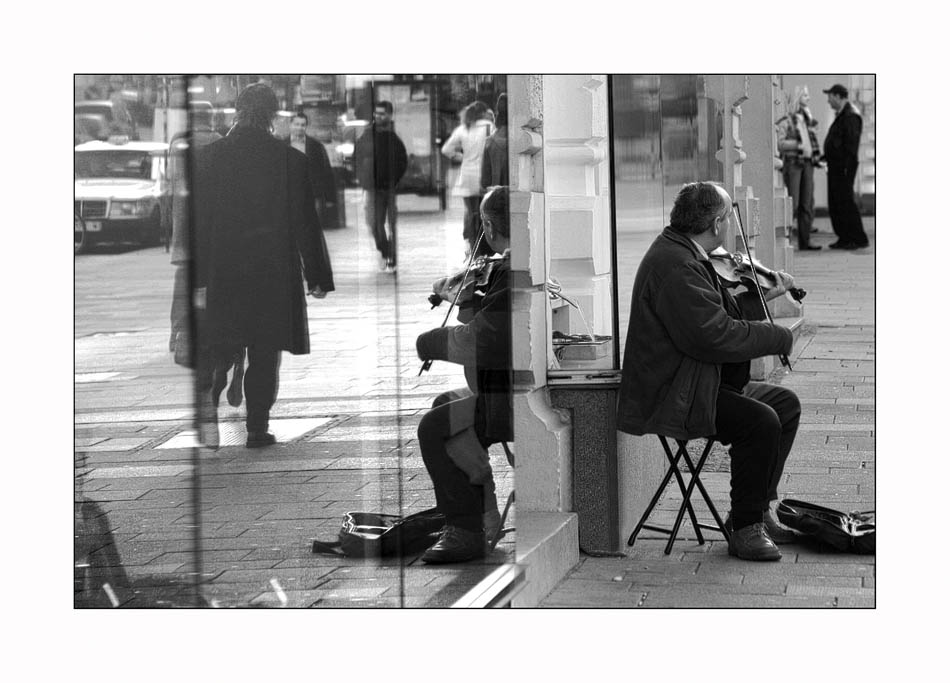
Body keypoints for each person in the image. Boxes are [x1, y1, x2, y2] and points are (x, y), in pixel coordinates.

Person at [616, 181, 803, 561]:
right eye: (727, 221)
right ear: (717, 223)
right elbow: (712, 336)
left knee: (784, 404)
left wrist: (762, 296)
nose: (728, 231)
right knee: (760, 421)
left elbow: (717, 316)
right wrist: (775, 336)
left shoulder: (687, 254)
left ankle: (757, 510)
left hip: (701, 382)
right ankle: (745, 528)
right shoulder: (677, 265)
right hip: (677, 393)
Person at [192, 83, 335, 449]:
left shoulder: (209, 159)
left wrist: (198, 276)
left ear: (237, 112)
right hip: (272, 270)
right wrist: (316, 274)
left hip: (223, 269)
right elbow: (305, 222)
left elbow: (200, 224)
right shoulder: (289, 160)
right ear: (273, 115)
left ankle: (211, 392)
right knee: (264, 348)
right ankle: (257, 427)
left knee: (223, 339)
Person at [415, 186, 512, 563]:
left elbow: (480, 341)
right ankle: (482, 512)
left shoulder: (513, 272)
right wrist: (469, 299)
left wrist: (431, 342)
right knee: (447, 405)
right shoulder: (512, 266)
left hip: (510, 398)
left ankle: (467, 531)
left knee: (435, 427)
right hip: (508, 388)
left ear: (487, 225)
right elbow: (487, 325)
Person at [354, 100, 408, 273]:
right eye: (376, 113)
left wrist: (394, 180)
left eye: (382, 113)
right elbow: (357, 158)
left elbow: (402, 160)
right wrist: (363, 179)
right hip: (372, 188)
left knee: (391, 225)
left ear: (390, 115)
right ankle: (385, 251)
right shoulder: (367, 135)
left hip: (388, 188)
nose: (378, 116)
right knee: (374, 223)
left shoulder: (393, 138)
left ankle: (390, 256)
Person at [442, 100, 495, 258]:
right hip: (483, 176)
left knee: (471, 213)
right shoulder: (488, 126)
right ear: (483, 112)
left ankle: (472, 248)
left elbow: (446, 149)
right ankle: (484, 247)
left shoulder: (463, 128)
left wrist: (461, 156)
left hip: (466, 177)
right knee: (484, 213)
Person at [821, 84, 869, 249]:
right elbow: (837, 142)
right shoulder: (843, 114)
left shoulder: (850, 115)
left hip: (844, 168)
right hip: (837, 166)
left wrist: (846, 168)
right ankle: (844, 237)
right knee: (837, 203)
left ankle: (857, 238)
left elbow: (850, 145)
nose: (828, 100)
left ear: (837, 96)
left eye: (830, 96)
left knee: (846, 202)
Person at [779, 87, 822, 251]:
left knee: (807, 203)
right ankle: (786, 241)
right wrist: (799, 145)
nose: (808, 98)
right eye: (805, 95)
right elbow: (780, 144)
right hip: (793, 163)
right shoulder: (786, 119)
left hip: (807, 163)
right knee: (793, 204)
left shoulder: (806, 118)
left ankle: (805, 241)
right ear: (797, 98)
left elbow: (812, 142)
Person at [287, 112, 339, 230]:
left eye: (303, 125)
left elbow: (326, 171)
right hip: (290, 194)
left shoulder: (315, 146)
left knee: (314, 228)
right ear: (290, 125)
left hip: (313, 194)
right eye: (297, 124)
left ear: (306, 126)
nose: (300, 128)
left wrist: (330, 198)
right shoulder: (282, 145)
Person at [480, 93, 509, 192]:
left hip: (496, 198)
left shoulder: (489, 143)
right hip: (518, 199)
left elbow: (485, 181)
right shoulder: (522, 141)